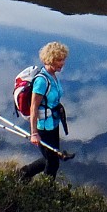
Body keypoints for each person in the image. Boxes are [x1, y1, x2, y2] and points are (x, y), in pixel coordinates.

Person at [21, 41, 69, 180]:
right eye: (60, 60)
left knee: (51, 157)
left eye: (63, 59)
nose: (63, 63)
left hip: (53, 123)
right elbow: (33, 108)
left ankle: (23, 174)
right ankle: (46, 193)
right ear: (51, 59)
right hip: (43, 127)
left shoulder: (53, 76)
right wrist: (34, 133)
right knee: (53, 162)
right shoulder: (41, 81)